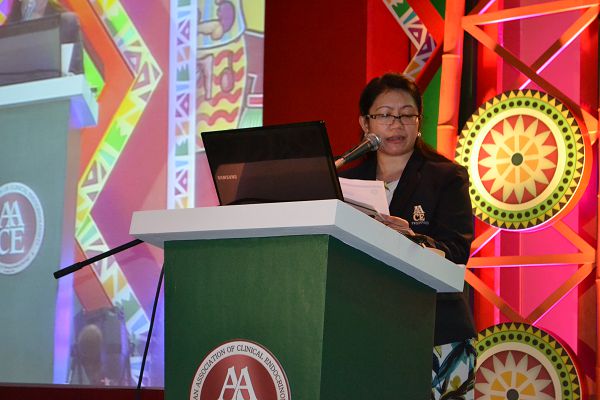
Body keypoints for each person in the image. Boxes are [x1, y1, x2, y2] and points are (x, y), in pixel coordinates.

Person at [339, 73, 477, 399]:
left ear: (419, 122)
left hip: (436, 329)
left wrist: (412, 237)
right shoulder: (345, 180)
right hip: (364, 326)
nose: (396, 124)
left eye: (406, 115)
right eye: (385, 115)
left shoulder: (446, 177)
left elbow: (457, 251)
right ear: (365, 122)